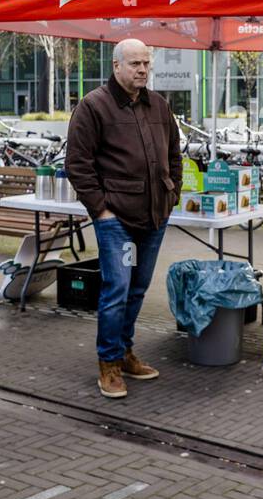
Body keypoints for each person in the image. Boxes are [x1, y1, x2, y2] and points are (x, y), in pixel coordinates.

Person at [66, 39, 179, 399]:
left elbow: (174, 155)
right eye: (134, 63)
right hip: (116, 220)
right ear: (116, 66)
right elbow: (78, 165)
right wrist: (101, 209)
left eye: (146, 63)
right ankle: (109, 364)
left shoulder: (159, 105)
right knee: (116, 290)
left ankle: (125, 351)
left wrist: (171, 194)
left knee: (138, 288)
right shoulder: (93, 106)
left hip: (154, 217)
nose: (142, 69)